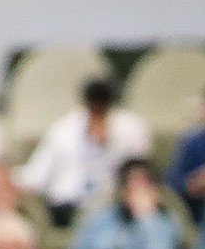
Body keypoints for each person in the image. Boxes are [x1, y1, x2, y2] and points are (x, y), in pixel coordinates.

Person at [61, 155, 188, 249]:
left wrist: (146, 217)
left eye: (143, 186)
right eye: (131, 186)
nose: (136, 192)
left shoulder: (165, 222)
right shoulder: (103, 218)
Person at [17, 77, 149, 214]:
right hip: (67, 207)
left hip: (111, 207)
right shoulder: (62, 131)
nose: (99, 115)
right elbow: (36, 176)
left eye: (103, 108)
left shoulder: (130, 129)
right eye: (95, 108)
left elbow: (140, 173)